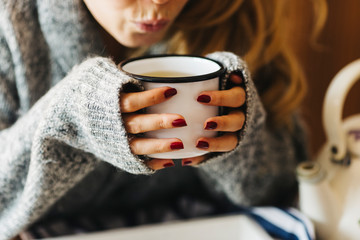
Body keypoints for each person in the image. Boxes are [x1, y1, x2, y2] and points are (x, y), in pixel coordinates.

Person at [0, 0, 327, 239]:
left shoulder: (231, 14)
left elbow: (288, 193)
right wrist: (66, 120)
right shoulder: (12, 24)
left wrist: (241, 132)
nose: (160, 1)